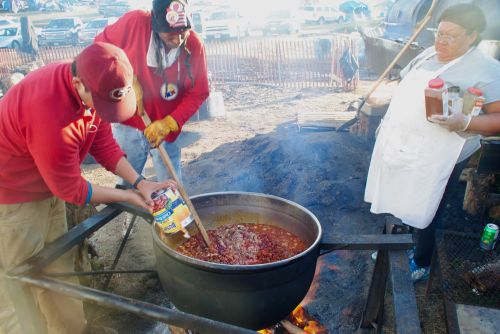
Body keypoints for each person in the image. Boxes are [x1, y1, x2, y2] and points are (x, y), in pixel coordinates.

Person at [0, 42, 175, 333]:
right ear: (79, 84)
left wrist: (141, 183)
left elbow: (103, 144)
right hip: (11, 197)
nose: (109, 111)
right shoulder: (50, 114)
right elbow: (72, 190)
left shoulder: (94, 85)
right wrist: (128, 196)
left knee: (56, 271)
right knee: (18, 285)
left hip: (46, 185)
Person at [365, 4, 500, 282]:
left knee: (426, 203)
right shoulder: (428, 54)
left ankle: (421, 261)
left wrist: (465, 122)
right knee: (397, 196)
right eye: (439, 33)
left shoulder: (488, 69)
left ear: (472, 36)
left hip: (441, 153)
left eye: (452, 35)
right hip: (404, 143)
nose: (442, 41)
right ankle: (395, 246)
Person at [94, 0, 209, 233]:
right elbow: (99, 47)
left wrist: (170, 123)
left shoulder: (194, 45)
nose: (178, 40)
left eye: (182, 32)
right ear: (156, 28)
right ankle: (125, 226)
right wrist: (123, 78)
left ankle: (177, 229)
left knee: (170, 181)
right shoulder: (135, 22)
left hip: (166, 126)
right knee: (129, 177)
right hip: (130, 122)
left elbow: (199, 91)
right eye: (170, 36)